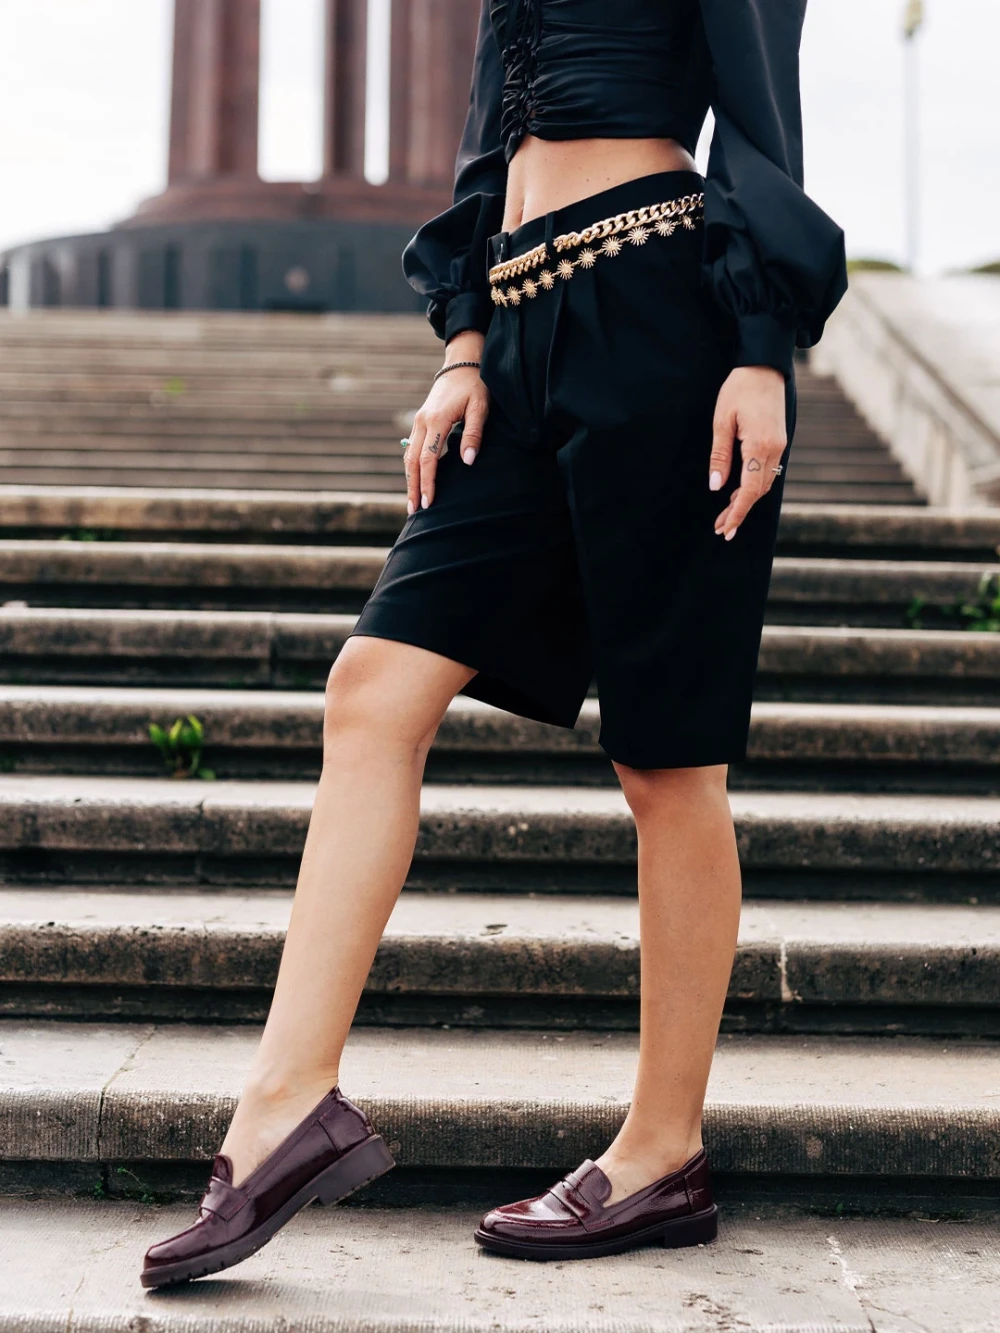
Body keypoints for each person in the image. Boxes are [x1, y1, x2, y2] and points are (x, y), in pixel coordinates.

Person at [141, 0, 846, 1287]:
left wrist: (759, 346)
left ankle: (662, 1150)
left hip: (661, 311)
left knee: (665, 762)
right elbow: (491, 124)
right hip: (514, 331)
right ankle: (285, 1103)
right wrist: (463, 343)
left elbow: (761, 102)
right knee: (372, 688)